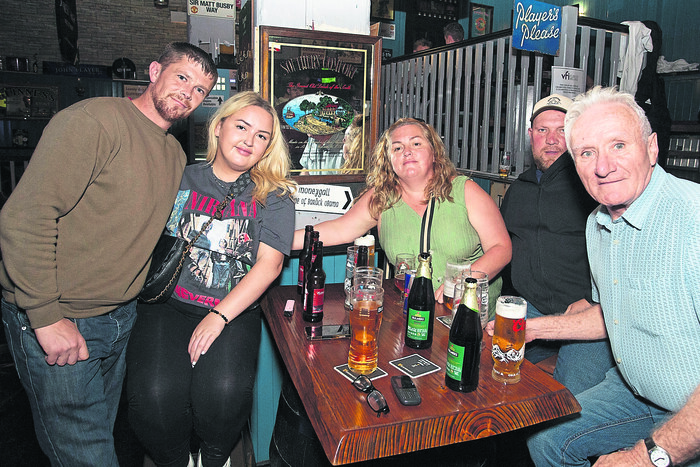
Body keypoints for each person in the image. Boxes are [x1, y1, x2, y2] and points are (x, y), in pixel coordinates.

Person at [0, 42, 217, 466]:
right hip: (63, 315)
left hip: (118, 317)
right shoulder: (94, 121)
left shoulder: (174, 153)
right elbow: (26, 216)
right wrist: (45, 315)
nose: (187, 94)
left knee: (100, 433)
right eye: (182, 78)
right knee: (88, 454)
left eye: (200, 91)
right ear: (154, 72)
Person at [513, 87, 700, 466]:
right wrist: (530, 328)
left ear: (652, 148)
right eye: (587, 152)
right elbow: (609, 314)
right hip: (634, 393)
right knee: (545, 438)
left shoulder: (692, 219)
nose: (603, 166)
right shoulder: (598, 223)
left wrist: (644, 457)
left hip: (690, 408)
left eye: (618, 145)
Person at [127, 91, 295, 467]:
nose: (249, 140)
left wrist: (218, 316)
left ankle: (214, 458)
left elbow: (269, 265)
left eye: (262, 136)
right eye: (241, 127)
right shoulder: (180, 177)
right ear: (219, 127)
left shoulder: (276, 196)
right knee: (154, 398)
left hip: (233, 311)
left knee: (224, 394)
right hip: (169, 305)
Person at [292, 117, 511, 313]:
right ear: (388, 160)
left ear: (434, 153)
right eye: (397, 148)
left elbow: (501, 248)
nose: (407, 151)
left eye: (416, 144)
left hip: (469, 316)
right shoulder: (382, 197)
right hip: (411, 314)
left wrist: (465, 281)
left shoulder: (465, 191)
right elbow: (339, 230)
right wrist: (280, 241)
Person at [500, 94, 614, 396]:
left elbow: (621, 253)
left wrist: (594, 299)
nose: (551, 139)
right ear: (530, 135)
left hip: (586, 316)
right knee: (485, 365)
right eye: (542, 130)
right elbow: (502, 247)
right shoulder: (518, 190)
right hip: (531, 308)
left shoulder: (595, 186)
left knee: (570, 400)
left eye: (561, 130)